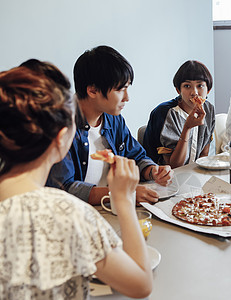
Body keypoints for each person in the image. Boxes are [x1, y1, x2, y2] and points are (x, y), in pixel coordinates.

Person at [0, 62, 152, 298]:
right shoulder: (68, 215)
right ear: (62, 138)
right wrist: (122, 199)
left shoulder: (114, 121)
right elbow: (141, 284)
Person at [46, 45, 173, 205]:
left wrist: (153, 171)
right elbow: (64, 189)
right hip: (78, 214)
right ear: (93, 91)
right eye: (121, 89)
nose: (127, 97)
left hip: (111, 208)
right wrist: (123, 194)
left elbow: (136, 156)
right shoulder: (62, 126)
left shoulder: (113, 118)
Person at [143, 60, 215, 168]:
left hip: (192, 175)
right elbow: (174, 166)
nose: (194, 92)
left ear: (208, 90)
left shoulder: (208, 109)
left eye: (200, 85)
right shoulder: (165, 113)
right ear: (178, 90)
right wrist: (187, 127)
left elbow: (203, 156)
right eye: (187, 86)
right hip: (161, 178)